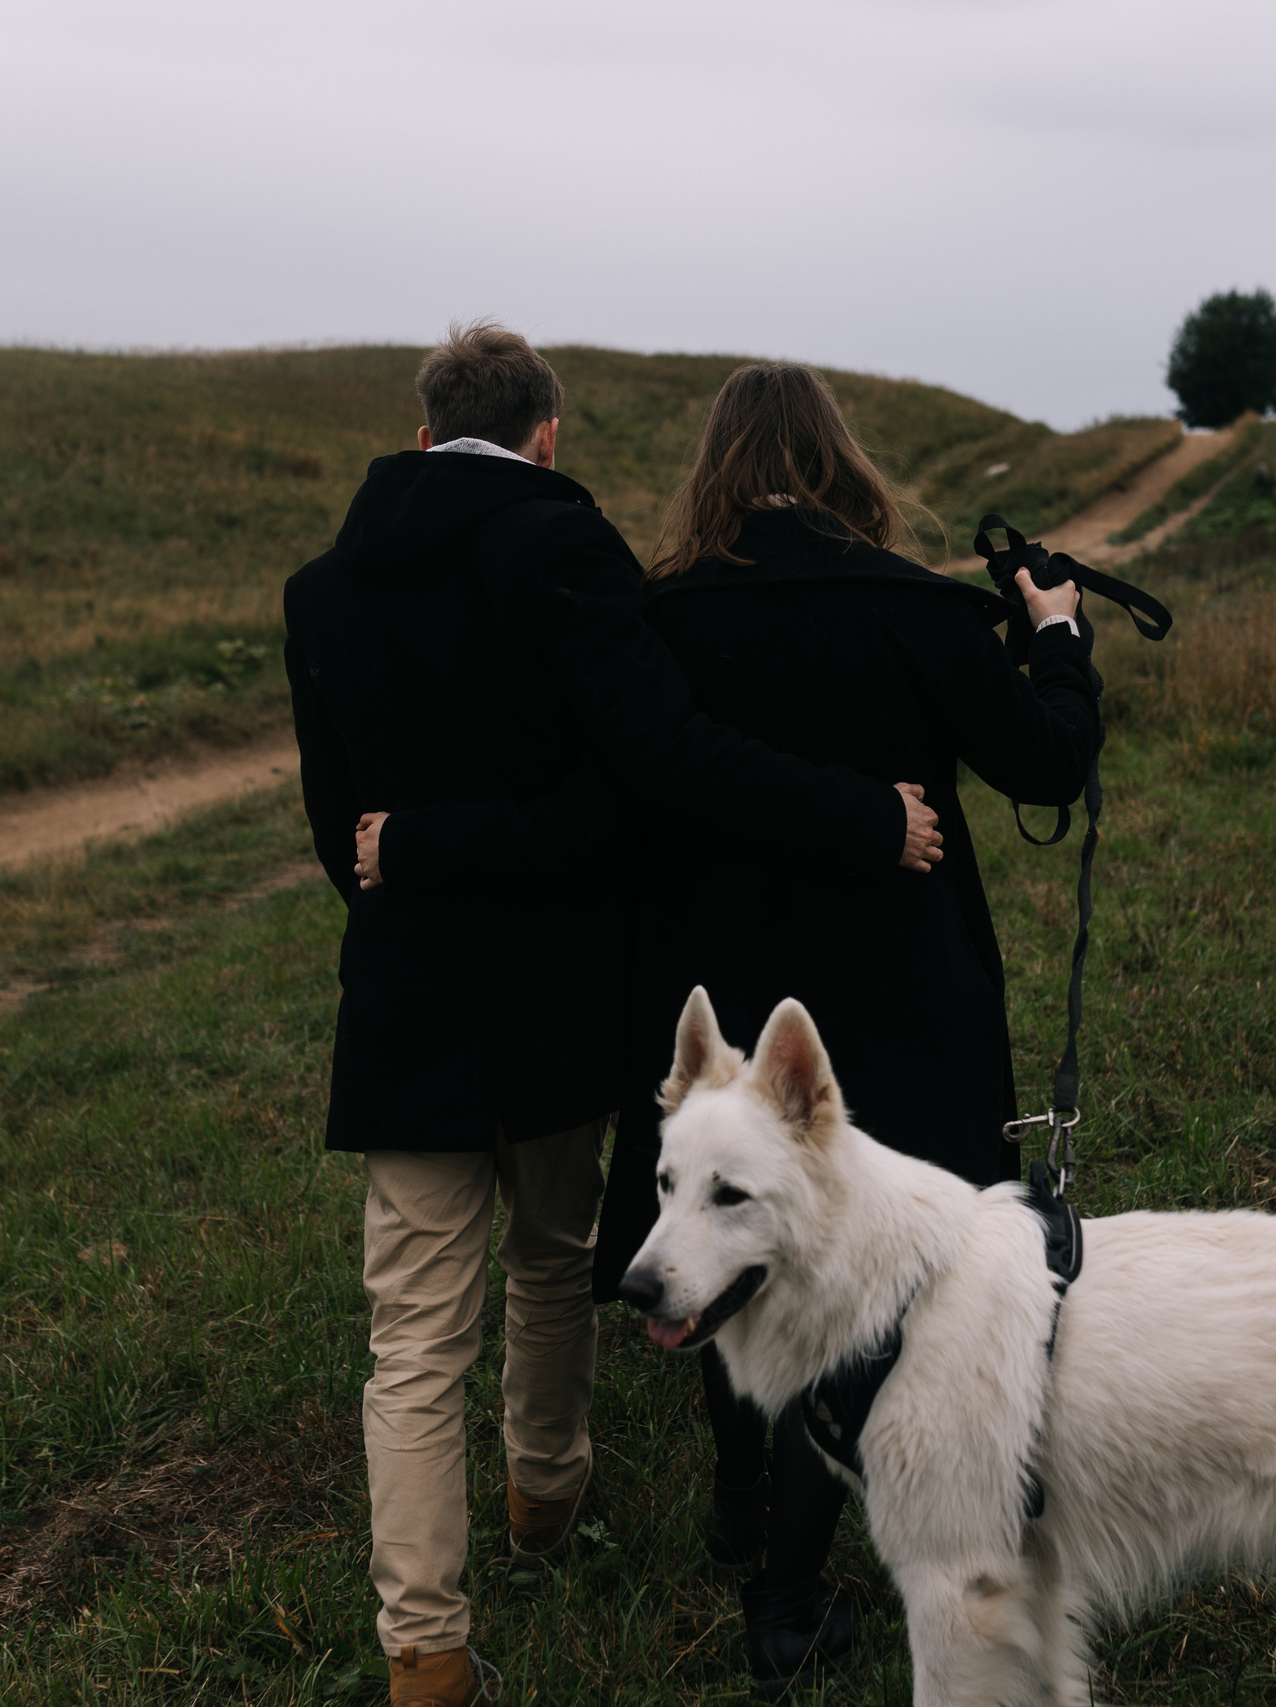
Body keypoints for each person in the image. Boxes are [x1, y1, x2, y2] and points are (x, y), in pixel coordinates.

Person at [283, 324, 943, 1707]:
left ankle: (427, 1648)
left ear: (421, 437)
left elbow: (342, 836)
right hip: (556, 989)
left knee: (410, 1334)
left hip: (407, 995)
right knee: (550, 1257)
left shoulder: (324, 588)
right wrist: (861, 815)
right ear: (549, 437)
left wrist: (418, 868)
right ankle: (547, 1493)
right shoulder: (567, 554)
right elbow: (646, 776)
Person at [590, 361, 1100, 1696]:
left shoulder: (658, 620)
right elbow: (1049, 762)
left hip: (723, 984)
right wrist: (1051, 633)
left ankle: (737, 1491)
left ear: (717, 467)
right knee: (873, 1283)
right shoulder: (916, 610)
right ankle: (792, 1588)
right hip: (901, 990)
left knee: (723, 1220)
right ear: (841, 463)